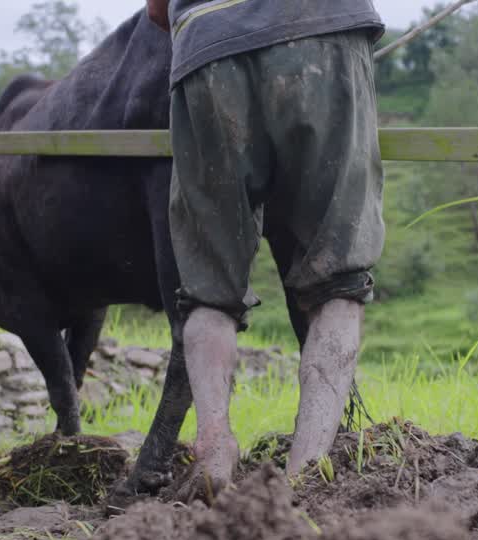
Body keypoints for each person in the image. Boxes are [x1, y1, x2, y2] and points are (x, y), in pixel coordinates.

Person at [146, 0, 386, 499]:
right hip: (321, 29)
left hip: (207, 44)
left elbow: (156, 12)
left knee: (208, 285)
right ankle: (306, 472)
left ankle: (213, 447)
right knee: (338, 279)